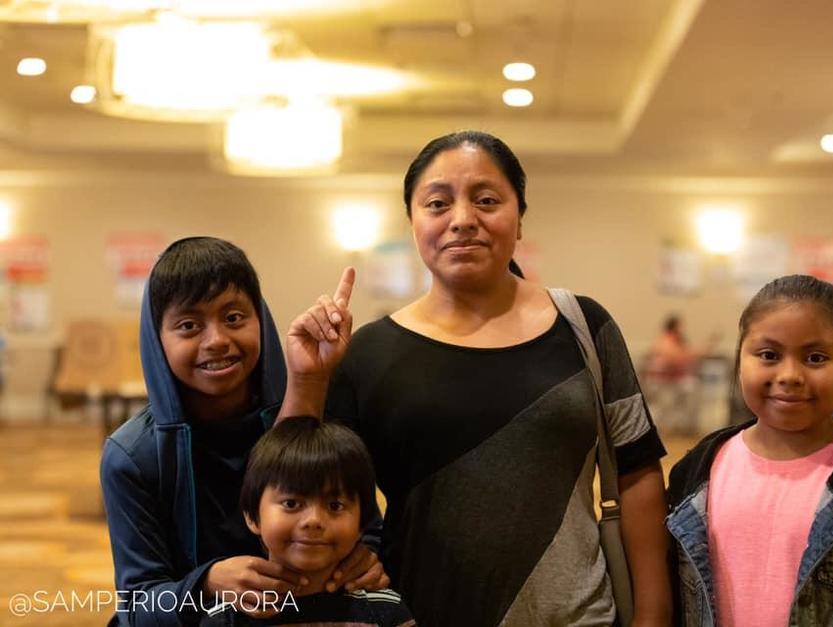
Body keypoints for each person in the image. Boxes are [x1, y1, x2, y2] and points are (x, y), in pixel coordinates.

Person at [280, 131, 673, 626]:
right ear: (413, 222)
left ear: (520, 217)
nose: (463, 220)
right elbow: (293, 487)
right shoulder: (369, 352)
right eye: (437, 203)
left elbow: (638, 473)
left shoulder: (584, 326)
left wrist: (653, 616)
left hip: (576, 617)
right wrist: (307, 378)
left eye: (487, 200)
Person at [100, 237, 384, 626]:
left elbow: (366, 526)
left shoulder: (316, 409)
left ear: (261, 320)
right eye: (188, 325)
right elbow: (138, 608)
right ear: (157, 339)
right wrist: (206, 583)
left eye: (234, 318)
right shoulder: (133, 455)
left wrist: (365, 556)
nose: (216, 341)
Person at [666, 274, 833, 626]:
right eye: (768, 354)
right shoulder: (694, 474)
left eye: (815, 357)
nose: (790, 374)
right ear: (740, 359)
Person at [200, 417, 414, 626]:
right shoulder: (226, 617)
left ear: (362, 523)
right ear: (252, 516)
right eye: (291, 503)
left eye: (335, 506)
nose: (313, 521)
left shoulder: (386, 611)